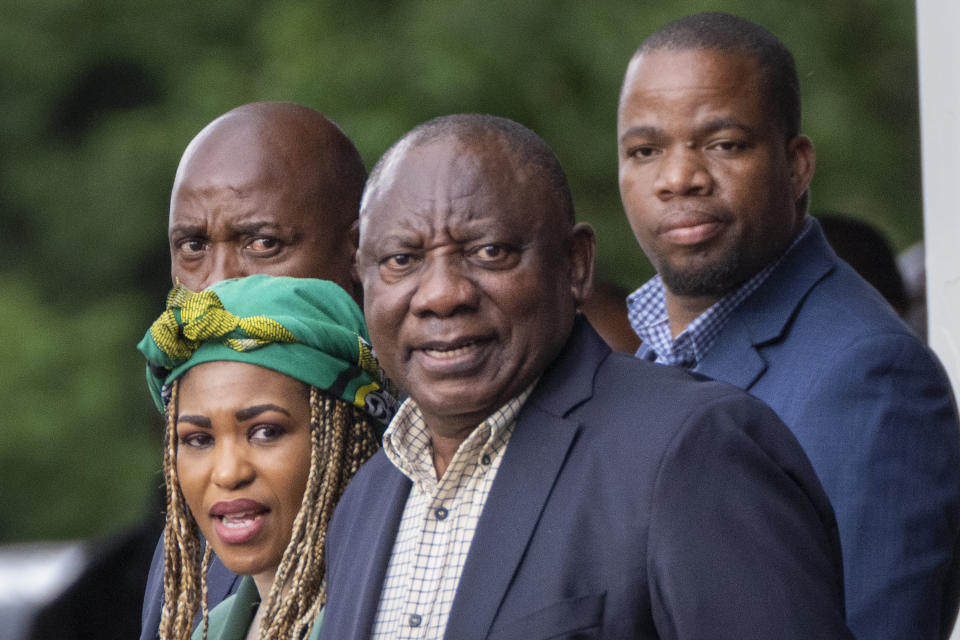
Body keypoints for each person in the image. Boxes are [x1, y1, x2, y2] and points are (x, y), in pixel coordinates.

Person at [320, 113, 853, 639]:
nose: (441, 295)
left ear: (575, 265)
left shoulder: (693, 450)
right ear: (361, 276)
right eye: (401, 259)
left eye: (490, 252)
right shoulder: (365, 501)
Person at [617, 12, 960, 639]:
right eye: (645, 151)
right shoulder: (643, 356)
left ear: (797, 165)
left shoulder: (871, 375)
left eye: (723, 144)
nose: (677, 178)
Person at [140, 101, 368, 640]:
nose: (220, 288)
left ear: (361, 254)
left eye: (262, 243)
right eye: (193, 247)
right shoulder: (187, 549)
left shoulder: (420, 505)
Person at [137, 275, 393, 639]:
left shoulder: (401, 615)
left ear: (347, 436)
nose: (228, 473)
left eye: (265, 432)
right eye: (198, 439)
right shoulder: (210, 630)